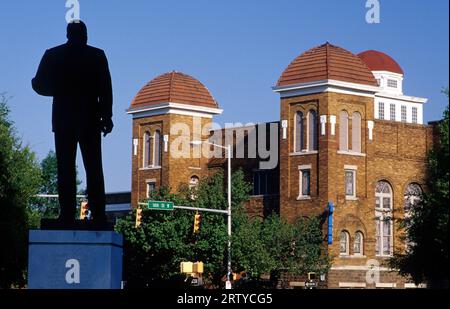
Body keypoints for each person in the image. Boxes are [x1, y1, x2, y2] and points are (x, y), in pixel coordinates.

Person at [32, 20, 113, 226]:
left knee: (65, 167)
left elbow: (39, 84)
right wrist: (107, 116)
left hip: (63, 119)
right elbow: (106, 89)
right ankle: (98, 214)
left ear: (68, 34)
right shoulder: (96, 55)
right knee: (94, 167)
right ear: (85, 35)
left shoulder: (53, 54)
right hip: (90, 119)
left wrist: (58, 90)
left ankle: (66, 213)